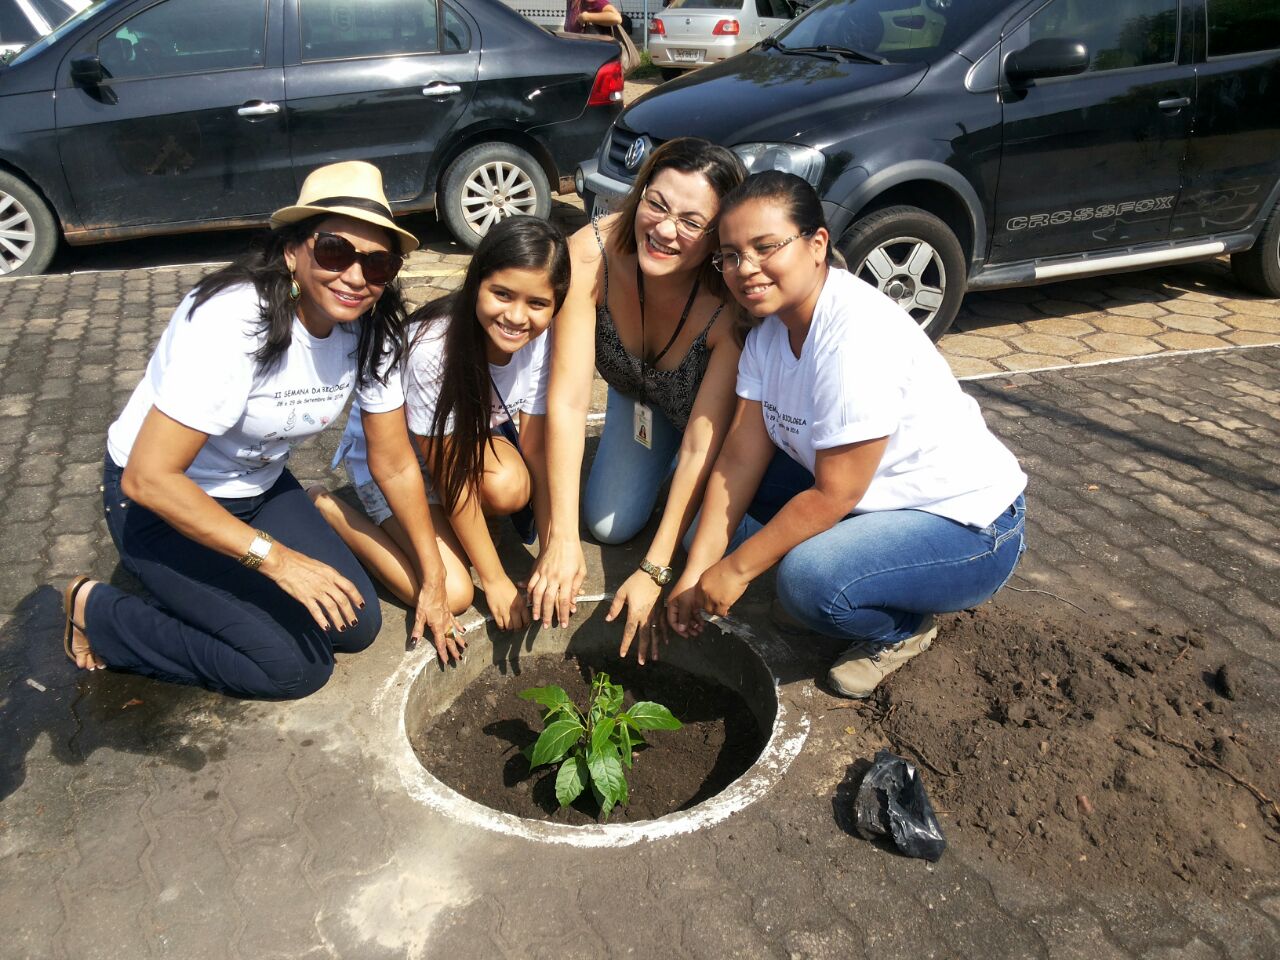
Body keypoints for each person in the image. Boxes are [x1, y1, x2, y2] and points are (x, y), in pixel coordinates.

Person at [60, 161, 461, 699]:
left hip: (259, 488)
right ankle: (100, 611)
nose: (355, 277)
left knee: (356, 625)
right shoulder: (234, 320)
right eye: (335, 251)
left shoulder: (372, 330)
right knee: (292, 669)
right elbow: (148, 478)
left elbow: (392, 461)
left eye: (379, 263)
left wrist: (432, 578)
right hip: (160, 504)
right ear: (293, 250)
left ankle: (216, 587)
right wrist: (277, 561)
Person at [669, 171, 1028, 698]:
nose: (746, 269)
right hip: (874, 501)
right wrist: (693, 575)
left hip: (968, 526)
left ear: (817, 245)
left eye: (766, 247)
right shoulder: (769, 333)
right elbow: (739, 459)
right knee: (704, 513)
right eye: (730, 255)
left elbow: (836, 492)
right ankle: (856, 572)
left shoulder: (853, 336)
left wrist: (736, 571)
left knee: (808, 583)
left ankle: (902, 630)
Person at [528, 137, 747, 665]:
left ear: (718, 236)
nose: (666, 230)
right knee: (605, 526)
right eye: (657, 204)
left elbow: (701, 444)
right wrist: (559, 537)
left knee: (698, 543)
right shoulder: (590, 253)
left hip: (708, 429)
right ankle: (653, 471)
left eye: (693, 223)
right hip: (640, 405)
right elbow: (569, 400)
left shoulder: (728, 302)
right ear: (639, 193)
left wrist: (655, 569)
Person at [311, 216, 570, 633]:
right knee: (457, 594)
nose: (517, 317)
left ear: (555, 302)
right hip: (401, 464)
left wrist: (550, 551)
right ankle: (330, 510)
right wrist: (497, 580)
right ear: (476, 284)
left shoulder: (543, 339)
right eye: (502, 294)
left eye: (537, 303)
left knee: (511, 486)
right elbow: (452, 479)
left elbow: (536, 450)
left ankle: (464, 531)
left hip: (464, 442)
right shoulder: (433, 347)